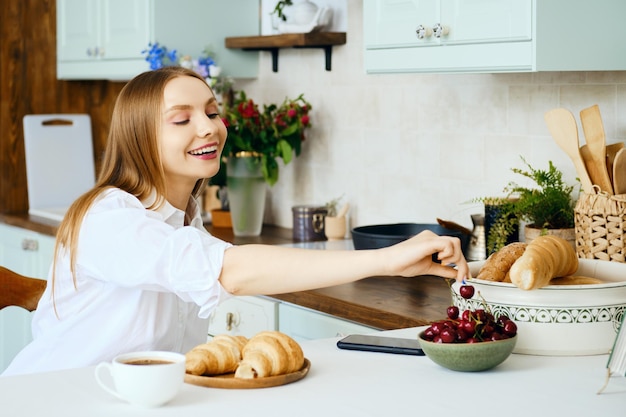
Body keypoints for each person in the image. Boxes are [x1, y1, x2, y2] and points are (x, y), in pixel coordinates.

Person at [1, 67, 468, 376]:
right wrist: (384, 259)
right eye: (180, 119)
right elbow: (230, 271)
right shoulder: (108, 217)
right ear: (140, 136)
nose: (208, 128)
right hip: (54, 400)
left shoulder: (183, 219)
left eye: (210, 112)